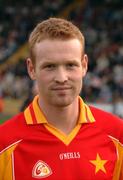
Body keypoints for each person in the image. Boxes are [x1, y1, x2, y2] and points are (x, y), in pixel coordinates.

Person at [0, 17, 123, 180]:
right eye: (49, 66)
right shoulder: (4, 143)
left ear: (84, 65)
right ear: (31, 69)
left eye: (70, 65)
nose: (61, 77)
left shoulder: (117, 134)